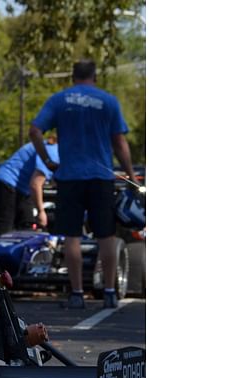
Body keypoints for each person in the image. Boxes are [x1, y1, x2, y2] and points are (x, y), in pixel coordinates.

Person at [29, 59, 136, 309]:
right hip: (101, 178)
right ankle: (109, 291)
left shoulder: (59, 100)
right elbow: (119, 142)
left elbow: (35, 130)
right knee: (106, 235)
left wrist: (47, 160)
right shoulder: (108, 101)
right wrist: (129, 174)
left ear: (72, 76)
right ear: (95, 76)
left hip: (70, 177)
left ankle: (77, 293)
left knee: (72, 236)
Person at [0, 138, 58, 235]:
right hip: (6, 183)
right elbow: (35, 184)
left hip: (21, 189)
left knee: (27, 226)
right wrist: (41, 211)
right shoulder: (53, 151)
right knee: (4, 230)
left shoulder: (57, 151)